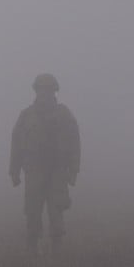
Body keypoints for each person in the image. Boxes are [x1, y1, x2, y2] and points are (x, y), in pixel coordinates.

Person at [9, 73, 81, 252]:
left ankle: (57, 247)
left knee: (57, 209)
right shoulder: (26, 116)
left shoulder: (64, 115)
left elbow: (74, 143)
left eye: (49, 91)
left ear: (54, 92)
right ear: (36, 91)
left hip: (57, 171)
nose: (45, 94)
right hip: (34, 171)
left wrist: (74, 170)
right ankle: (32, 247)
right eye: (42, 90)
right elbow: (17, 143)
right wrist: (14, 171)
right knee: (32, 210)